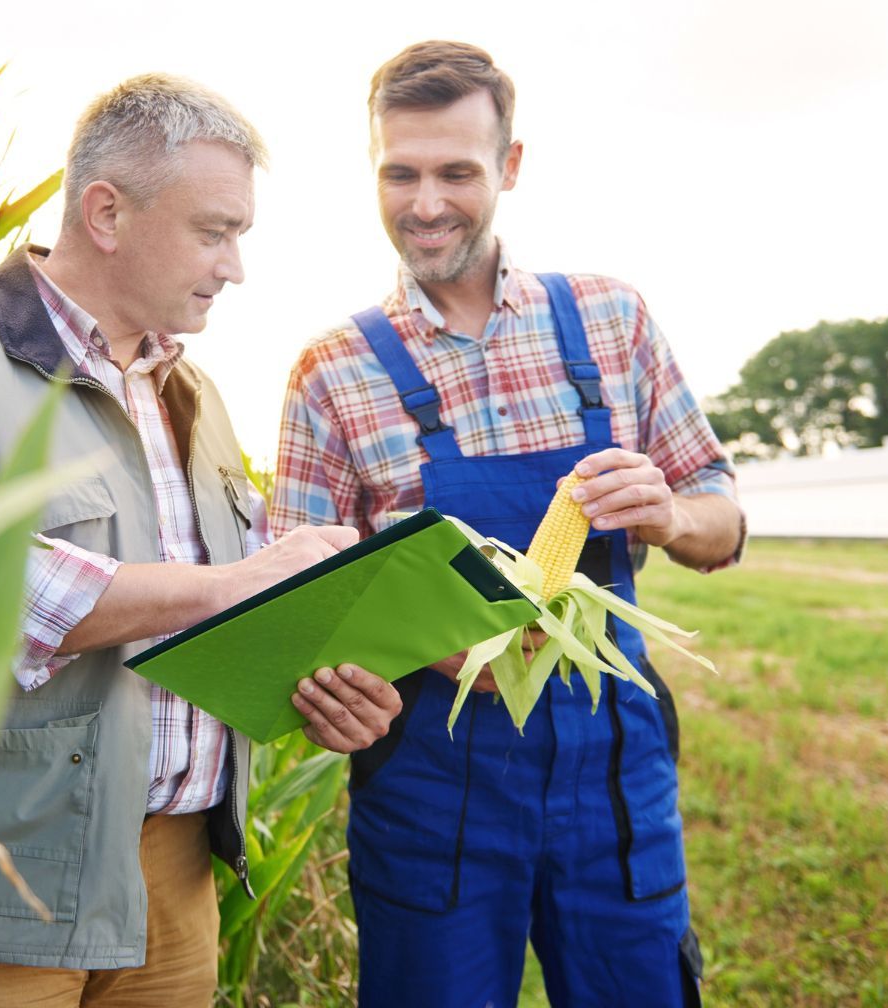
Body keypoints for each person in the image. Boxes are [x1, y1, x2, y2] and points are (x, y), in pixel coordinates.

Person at [0, 74, 403, 1008]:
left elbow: (245, 617)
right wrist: (233, 585)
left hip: (174, 881)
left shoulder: (194, 395)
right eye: (215, 231)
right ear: (106, 213)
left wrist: (331, 689)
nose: (234, 267)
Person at [270, 41, 746, 1008]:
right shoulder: (331, 370)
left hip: (611, 768)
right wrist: (381, 653)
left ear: (512, 168)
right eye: (399, 173)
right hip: (429, 783)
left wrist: (664, 514)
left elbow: (725, 522)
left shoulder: (611, 320)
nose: (426, 202)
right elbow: (297, 596)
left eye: (458, 171)